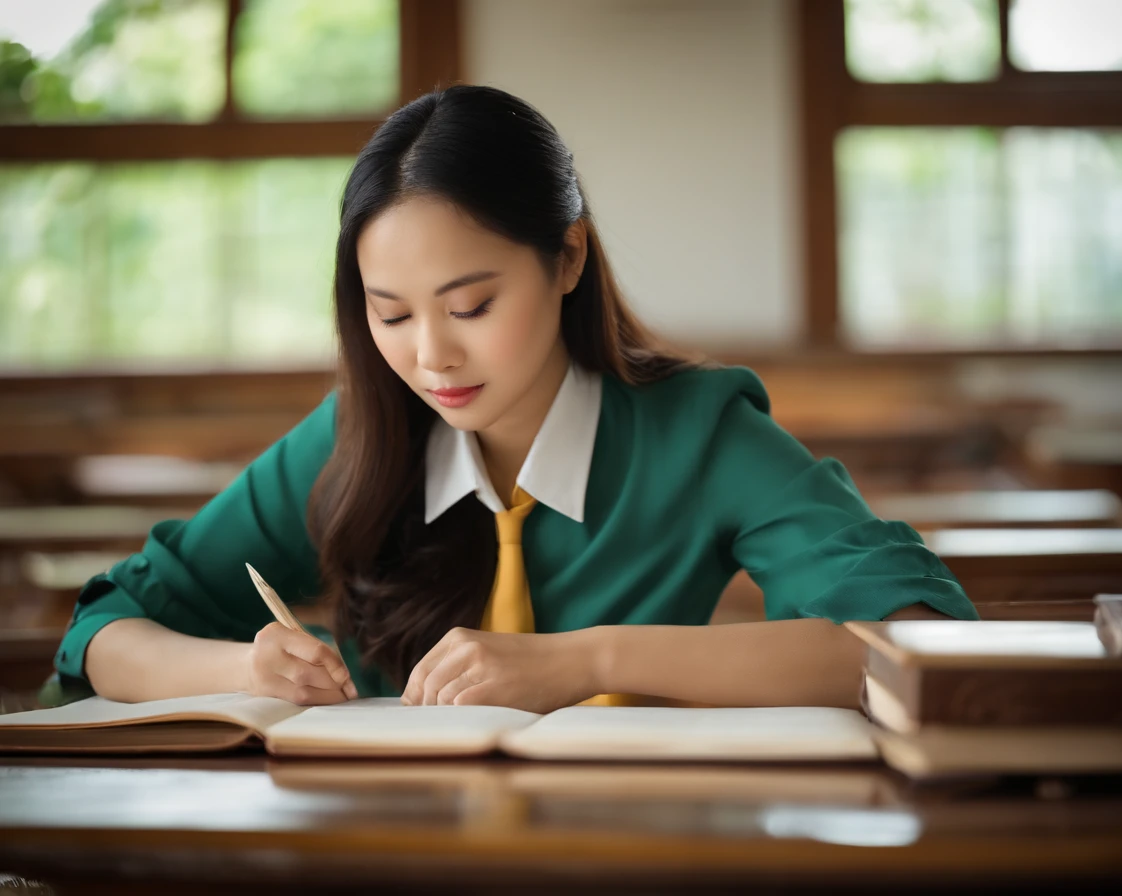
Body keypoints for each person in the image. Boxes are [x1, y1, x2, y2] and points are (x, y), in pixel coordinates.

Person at [48, 85, 977, 713]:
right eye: (391, 314)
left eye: (472, 305)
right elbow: (102, 628)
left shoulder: (698, 431)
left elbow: (907, 641)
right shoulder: (357, 438)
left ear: (567, 257)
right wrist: (244, 665)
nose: (431, 355)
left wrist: (585, 661)